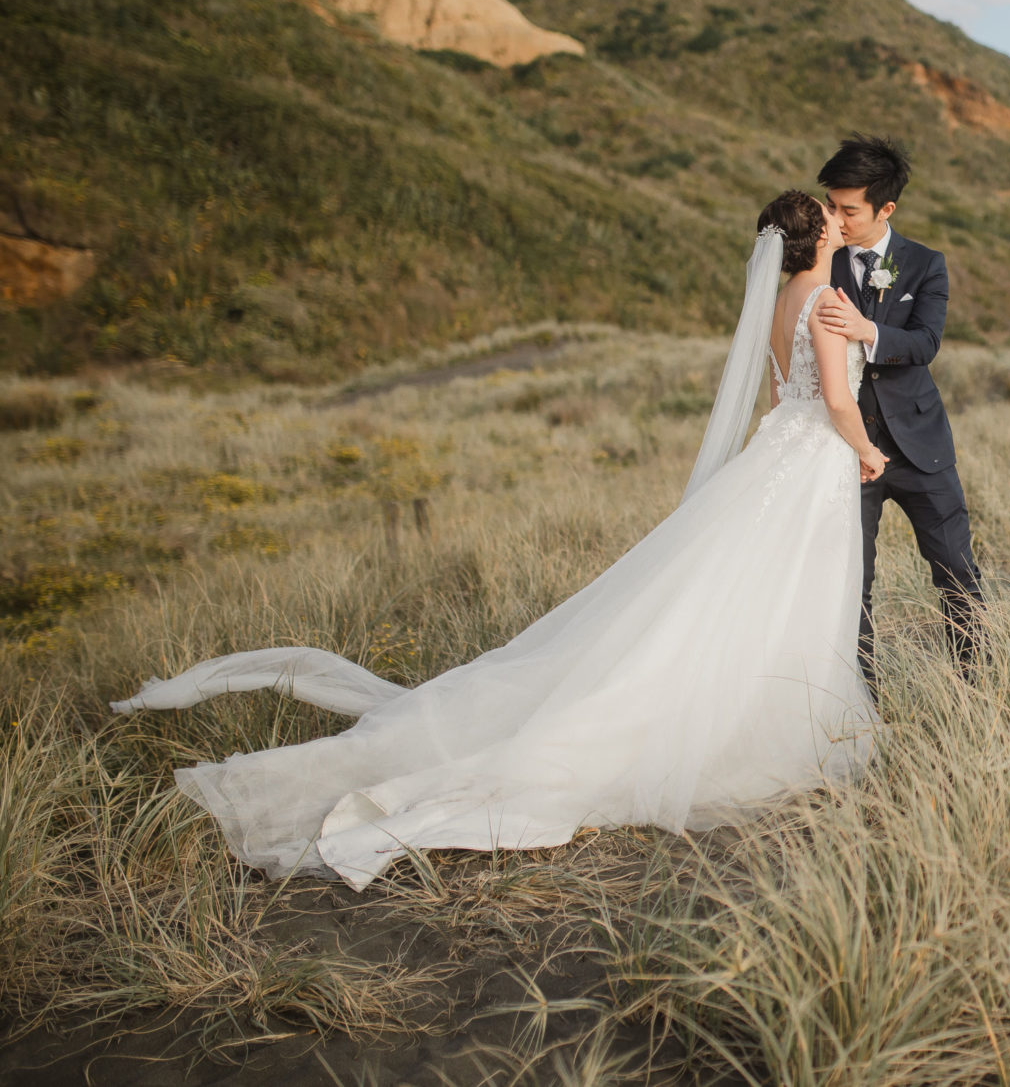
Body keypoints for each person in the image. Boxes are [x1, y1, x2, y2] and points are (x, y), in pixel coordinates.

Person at [111, 191, 888, 890]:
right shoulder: (822, 301)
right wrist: (867, 450)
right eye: (831, 213)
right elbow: (838, 402)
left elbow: (787, 385)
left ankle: (751, 711)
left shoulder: (787, 297)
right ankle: (767, 725)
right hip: (813, 452)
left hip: (780, 449)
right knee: (790, 592)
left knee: (755, 592)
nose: (839, 217)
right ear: (817, 233)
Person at [810, 135, 985, 685]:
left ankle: (974, 681)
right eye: (831, 206)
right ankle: (862, 701)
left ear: (886, 208)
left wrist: (869, 332)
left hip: (921, 447)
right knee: (851, 585)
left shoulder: (926, 264)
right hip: (844, 450)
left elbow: (927, 342)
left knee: (956, 571)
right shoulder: (819, 262)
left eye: (849, 209)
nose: (836, 219)